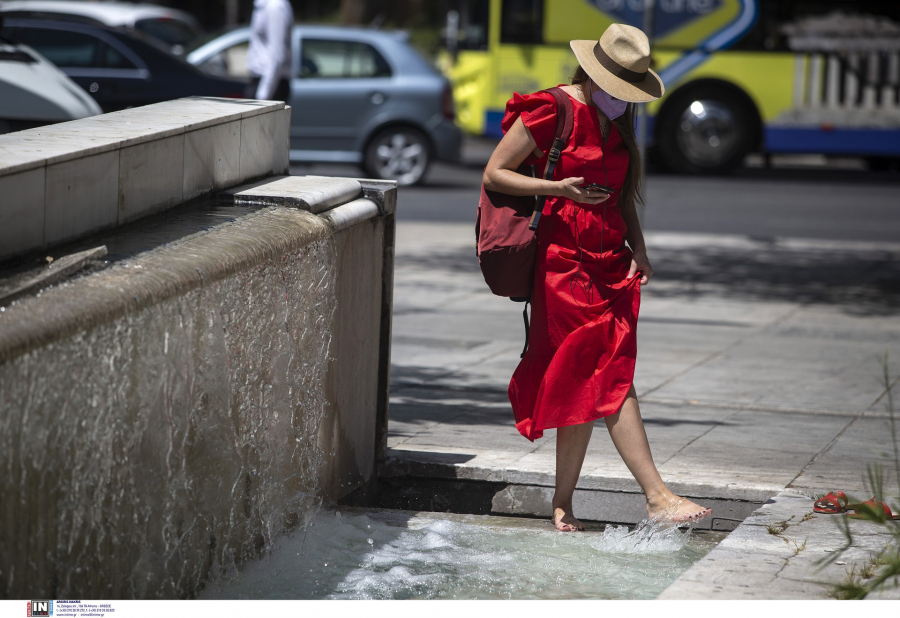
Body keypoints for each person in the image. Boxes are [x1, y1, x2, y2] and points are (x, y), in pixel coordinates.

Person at [483, 23, 712, 532]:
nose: (622, 100)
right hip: (564, 263)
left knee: (583, 379)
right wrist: (557, 187)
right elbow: (495, 172)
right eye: (617, 88)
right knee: (609, 373)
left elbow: (623, 192)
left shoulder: (620, 119)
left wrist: (641, 248)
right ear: (592, 72)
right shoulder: (552, 108)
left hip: (611, 260)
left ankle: (563, 503)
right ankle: (657, 496)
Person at [246, 0, 294, 102]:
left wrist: (263, 95)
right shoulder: (262, 5)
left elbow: (277, 54)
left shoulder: (274, 6)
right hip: (263, 81)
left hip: (270, 84)